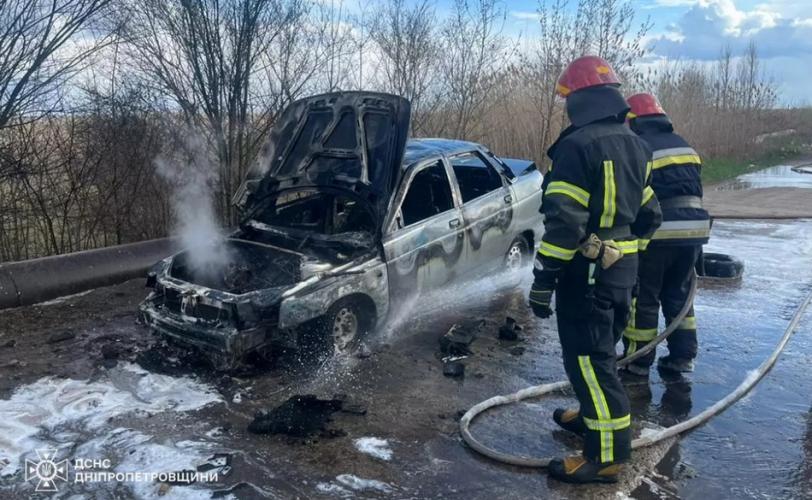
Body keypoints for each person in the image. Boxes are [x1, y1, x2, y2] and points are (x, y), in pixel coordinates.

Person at [528, 56, 662, 484]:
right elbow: (651, 215)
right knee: (601, 353)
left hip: (586, 276)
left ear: (579, 100)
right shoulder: (638, 145)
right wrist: (626, 254)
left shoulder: (577, 146)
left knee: (589, 361)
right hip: (621, 273)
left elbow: (565, 224)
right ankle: (592, 418)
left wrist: (543, 279)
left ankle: (605, 457)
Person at [621, 93, 710, 377]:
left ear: (634, 121)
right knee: (679, 295)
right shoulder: (685, 146)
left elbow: (633, 195)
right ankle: (683, 357)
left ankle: (638, 360)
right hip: (694, 232)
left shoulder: (639, 147)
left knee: (644, 297)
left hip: (659, 233)